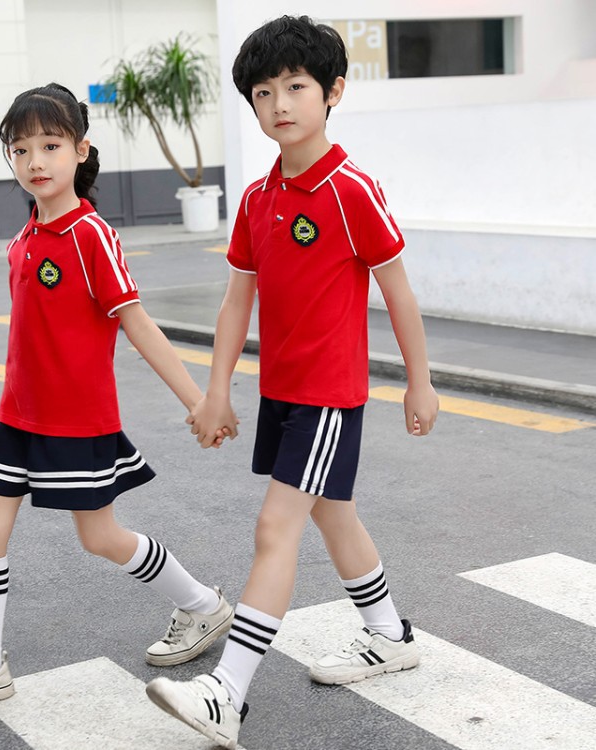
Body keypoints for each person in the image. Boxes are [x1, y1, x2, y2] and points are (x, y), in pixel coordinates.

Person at [145, 16, 439, 749]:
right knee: (333, 514)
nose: (279, 103)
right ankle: (388, 632)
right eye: (264, 91)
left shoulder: (350, 189)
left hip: (328, 395)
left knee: (275, 527)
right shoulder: (257, 198)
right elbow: (235, 301)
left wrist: (420, 382)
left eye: (296, 86)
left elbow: (398, 290)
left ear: (332, 91)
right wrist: (217, 390)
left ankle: (227, 693)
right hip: (280, 392)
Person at [0, 83, 235, 718]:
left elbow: (137, 324)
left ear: (80, 150)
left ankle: (202, 605)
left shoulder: (91, 235)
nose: (35, 161)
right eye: (20, 149)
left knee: (101, 537)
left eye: (50, 146)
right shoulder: (24, 238)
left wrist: (201, 400)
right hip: (16, 415)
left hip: (76, 420)